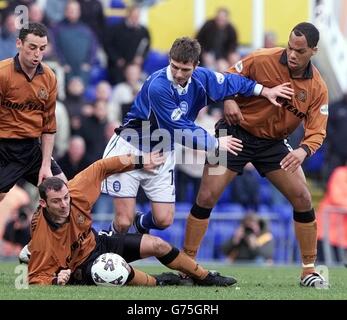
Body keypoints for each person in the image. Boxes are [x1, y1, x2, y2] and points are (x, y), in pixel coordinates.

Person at [182, 22, 329, 288]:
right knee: (206, 195)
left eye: (300, 51)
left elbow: (317, 130)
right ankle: (186, 265)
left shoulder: (317, 88)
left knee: (303, 197)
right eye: (290, 47)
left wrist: (303, 150)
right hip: (235, 132)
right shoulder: (262, 58)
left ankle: (308, 270)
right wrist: (228, 100)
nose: (293, 54)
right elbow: (224, 78)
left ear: (313, 51)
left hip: (273, 143)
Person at [101, 36, 293, 235]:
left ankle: (140, 223)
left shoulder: (202, 78)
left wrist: (265, 91)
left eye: (185, 69)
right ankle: (107, 244)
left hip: (162, 151)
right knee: (123, 222)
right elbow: (180, 129)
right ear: (169, 59)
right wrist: (215, 143)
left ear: (196, 65)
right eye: (174, 66)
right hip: (132, 146)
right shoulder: (157, 86)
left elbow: (231, 82)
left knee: (164, 219)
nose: (178, 73)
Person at [28, 152, 236, 287]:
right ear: (44, 203)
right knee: (112, 269)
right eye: (57, 202)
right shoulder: (41, 237)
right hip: (80, 268)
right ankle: (159, 283)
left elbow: (102, 166)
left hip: (98, 242)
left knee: (157, 244)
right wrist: (57, 280)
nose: (65, 204)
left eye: (66, 198)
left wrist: (138, 160)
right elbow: (34, 280)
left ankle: (205, 277)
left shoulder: (76, 191)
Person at [0, 22, 66, 206]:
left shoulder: (49, 77)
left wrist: (45, 164)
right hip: (4, 148)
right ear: (19, 44)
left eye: (42, 48)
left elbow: (49, 126)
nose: (37, 54)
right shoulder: (3, 74)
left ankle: (47, 234)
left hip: (32, 149)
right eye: (32, 47)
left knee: (64, 192)